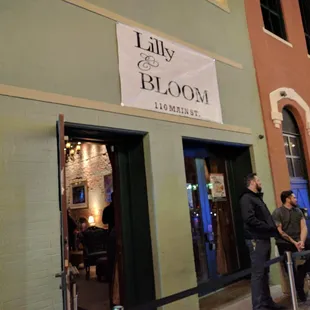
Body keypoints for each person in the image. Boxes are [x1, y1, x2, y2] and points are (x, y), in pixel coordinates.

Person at [240, 173, 285, 310]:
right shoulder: (247, 198)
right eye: (258, 180)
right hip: (256, 239)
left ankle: (267, 302)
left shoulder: (256, 198)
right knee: (258, 274)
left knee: (265, 272)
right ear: (252, 182)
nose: (260, 182)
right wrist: (269, 227)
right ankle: (258, 306)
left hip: (264, 238)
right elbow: (249, 219)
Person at [272, 190, 310, 302]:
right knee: (290, 268)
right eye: (294, 197)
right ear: (288, 199)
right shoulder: (277, 212)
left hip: (299, 239)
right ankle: (299, 293)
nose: (296, 199)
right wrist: (294, 242)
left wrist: (301, 241)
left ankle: (302, 270)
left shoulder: (298, 211)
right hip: (286, 242)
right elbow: (281, 232)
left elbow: (304, 227)